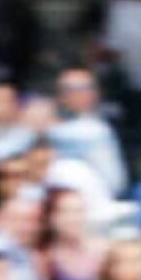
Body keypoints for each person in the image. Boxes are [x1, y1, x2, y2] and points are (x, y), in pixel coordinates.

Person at [48, 69, 128, 197]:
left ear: (96, 93)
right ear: (59, 96)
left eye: (85, 88)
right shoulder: (46, 125)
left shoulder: (98, 129)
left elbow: (115, 183)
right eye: (69, 89)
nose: (79, 94)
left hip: (91, 199)